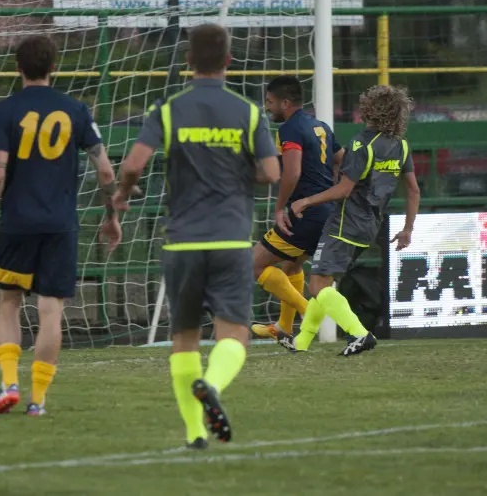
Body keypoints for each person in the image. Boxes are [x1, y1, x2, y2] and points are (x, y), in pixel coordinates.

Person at [113, 23, 280, 448]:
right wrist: (239, 169)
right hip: (230, 239)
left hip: (182, 241)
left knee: (184, 338)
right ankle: (214, 385)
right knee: (234, 333)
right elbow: (272, 172)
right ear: (228, 60)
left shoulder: (170, 109)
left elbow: (133, 164)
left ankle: (194, 433)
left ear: (188, 61)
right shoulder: (248, 111)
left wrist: (124, 192)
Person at [0, 35, 122, 416]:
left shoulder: (5, 110)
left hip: (17, 223)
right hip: (60, 225)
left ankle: (8, 381)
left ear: (17, 67)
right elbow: (106, 169)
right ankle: (37, 401)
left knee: (9, 303)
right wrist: (111, 215)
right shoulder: (75, 109)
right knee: (50, 310)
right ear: (53, 67)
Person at [290, 84, 420, 356]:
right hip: (369, 226)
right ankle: (300, 343)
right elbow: (413, 190)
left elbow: (344, 189)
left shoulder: (362, 143)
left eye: (366, 103)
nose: (362, 107)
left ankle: (360, 334)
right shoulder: (401, 146)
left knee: (316, 285)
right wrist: (407, 229)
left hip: (345, 223)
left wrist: (306, 200)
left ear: (373, 110)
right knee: (324, 285)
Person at [251, 75, 344, 348]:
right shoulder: (321, 126)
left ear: (286, 103)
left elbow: (292, 172)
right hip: (324, 212)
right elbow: (342, 159)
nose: (267, 108)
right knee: (292, 265)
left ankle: (308, 310)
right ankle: (284, 328)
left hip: (304, 213)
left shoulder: (290, 129)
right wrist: (332, 189)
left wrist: (280, 207)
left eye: (270, 102)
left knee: (253, 265)